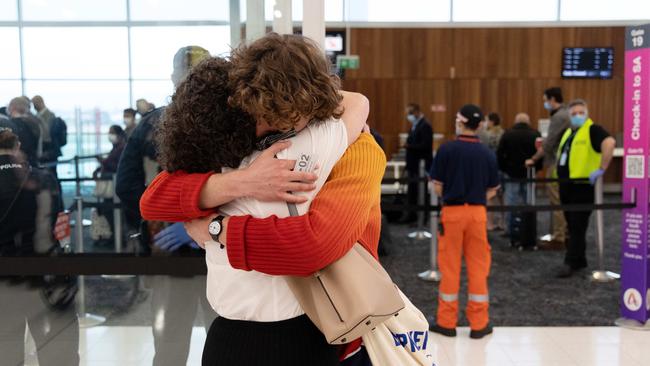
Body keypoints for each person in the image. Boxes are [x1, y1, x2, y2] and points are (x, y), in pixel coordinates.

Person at [140, 33, 383, 365]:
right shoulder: (238, 147)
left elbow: (312, 248)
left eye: (274, 112)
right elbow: (153, 200)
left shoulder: (337, 145)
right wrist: (243, 182)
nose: (261, 126)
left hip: (315, 327)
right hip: (260, 332)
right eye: (258, 111)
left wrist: (215, 229)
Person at [115, 46, 218, 366]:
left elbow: (126, 186)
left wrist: (157, 221)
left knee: (171, 341)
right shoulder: (229, 123)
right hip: (218, 245)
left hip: (169, 249)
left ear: (174, 79)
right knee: (223, 336)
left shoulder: (152, 123)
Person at [428, 104, 499, 340]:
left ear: (459, 122)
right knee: (479, 267)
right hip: (478, 213)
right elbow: (492, 190)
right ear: (479, 125)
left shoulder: (447, 150)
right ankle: (479, 324)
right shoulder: (487, 153)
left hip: (453, 213)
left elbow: (437, 186)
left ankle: (447, 322)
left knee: (449, 267)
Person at [554, 99, 615, 278]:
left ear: (586, 113)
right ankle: (579, 259)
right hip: (567, 186)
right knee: (572, 226)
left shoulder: (592, 130)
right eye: (573, 114)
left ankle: (570, 261)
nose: (577, 116)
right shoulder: (569, 133)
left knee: (577, 225)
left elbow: (609, 143)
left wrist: (602, 169)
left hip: (582, 187)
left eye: (580, 112)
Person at [527, 87, 571, 250]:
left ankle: (559, 237)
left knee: (556, 200)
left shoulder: (559, 116)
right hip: (565, 163)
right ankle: (564, 233)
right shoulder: (567, 113)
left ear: (553, 99)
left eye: (545, 100)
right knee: (563, 199)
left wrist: (534, 158)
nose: (545, 103)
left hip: (556, 163)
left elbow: (550, 142)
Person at [497, 113, 542, 249]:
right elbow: (541, 153)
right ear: (528, 121)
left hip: (512, 174)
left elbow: (500, 154)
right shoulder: (535, 134)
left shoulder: (508, 134)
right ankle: (528, 232)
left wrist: (504, 169)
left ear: (516, 121)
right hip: (529, 174)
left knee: (512, 204)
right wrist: (537, 169)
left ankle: (512, 233)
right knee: (529, 203)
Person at [401, 102, 433, 223]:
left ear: (416, 112)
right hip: (413, 165)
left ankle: (422, 218)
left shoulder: (425, 126)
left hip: (421, 165)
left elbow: (425, 145)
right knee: (412, 192)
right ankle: (412, 216)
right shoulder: (415, 125)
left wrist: (409, 146)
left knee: (421, 192)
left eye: (410, 113)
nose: (408, 116)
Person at [480, 113, 505, 231]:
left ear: (492, 121)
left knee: (489, 195)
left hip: (488, 167)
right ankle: (503, 221)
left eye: (487, 120)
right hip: (500, 167)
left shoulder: (486, 134)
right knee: (502, 196)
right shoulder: (503, 133)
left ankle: (489, 223)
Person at [0, 97, 41, 166]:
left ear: (13, 107)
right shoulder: (34, 121)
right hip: (33, 162)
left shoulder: (12, 124)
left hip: (20, 165)